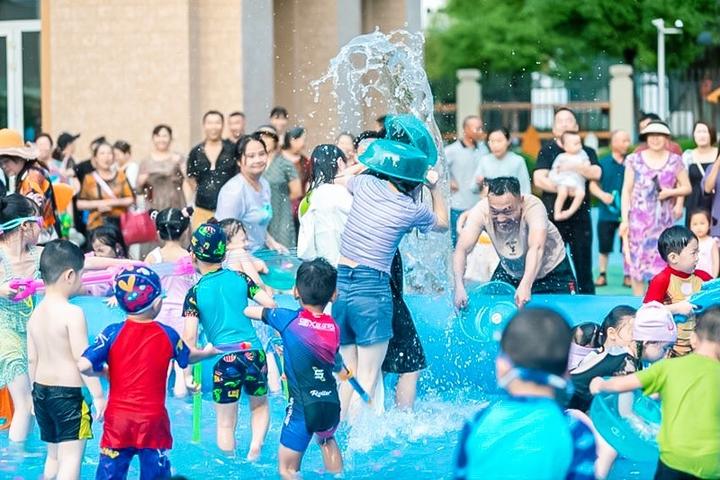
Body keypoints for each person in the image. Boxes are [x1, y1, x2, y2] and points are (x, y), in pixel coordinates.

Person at [332, 136, 448, 420]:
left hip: (341, 287)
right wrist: (435, 188)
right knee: (368, 379)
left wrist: (364, 163)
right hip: (372, 291)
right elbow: (443, 224)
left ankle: (334, 437)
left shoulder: (366, 185)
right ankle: (359, 446)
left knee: (347, 374)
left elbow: (339, 180)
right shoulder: (411, 209)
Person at [79, 266, 216, 479]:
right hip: (152, 421)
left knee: (110, 473)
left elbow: (84, 366)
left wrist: (103, 371)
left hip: (118, 421)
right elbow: (188, 356)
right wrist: (207, 353)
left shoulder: (111, 333)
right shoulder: (167, 334)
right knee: (156, 474)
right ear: (157, 303)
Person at [454, 308, 596, 480]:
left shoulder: (477, 421)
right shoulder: (575, 431)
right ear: (567, 372)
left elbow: (461, 475)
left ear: (501, 367)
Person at [590, 306, 720, 480]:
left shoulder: (669, 368)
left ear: (693, 339)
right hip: (712, 464)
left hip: (674, 458)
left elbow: (622, 385)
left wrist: (600, 384)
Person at [181, 223, 276, 459]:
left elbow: (190, 338)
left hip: (225, 360)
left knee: (225, 425)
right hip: (254, 353)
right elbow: (270, 304)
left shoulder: (194, 293)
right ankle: (255, 449)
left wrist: (186, 373)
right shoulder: (241, 278)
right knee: (260, 405)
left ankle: (231, 463)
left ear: (193, 256)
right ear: (224, 253)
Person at [244, 258, 343, 479]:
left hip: (302, 410)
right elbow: (335, 361)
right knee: (326, 440)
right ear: (334, 294)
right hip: (330, 405)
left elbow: (250, 312)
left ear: (295, 291)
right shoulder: (333, 327)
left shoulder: (288, 320)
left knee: (287, 469)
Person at [27, 240, 105, 480]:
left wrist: (33, 395)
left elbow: (32, 359)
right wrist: (99, 396)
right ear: (70, 275)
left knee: (53, 456)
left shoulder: (35, 313)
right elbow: (83, 358)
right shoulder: (73, 313)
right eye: (81, 275)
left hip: (41, 393)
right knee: (71, 458)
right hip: (68, 398)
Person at [454, 177, 575, 309]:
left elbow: (537, 248)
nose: (501, 219)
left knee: (566, 314)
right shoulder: (481, 210)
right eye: (494, 211)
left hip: (552, 272)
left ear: (521, 201)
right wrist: (459, 286)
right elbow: (462, 249)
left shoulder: (534, 207)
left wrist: (526, 284)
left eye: (507, 211)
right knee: (490, 308)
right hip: (510, 271)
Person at [533, 108, 601, 294]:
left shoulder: (587, 151)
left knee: (583, 263)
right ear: (554, 129)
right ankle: (551, 296)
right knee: (550, 260)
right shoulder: (547, 150)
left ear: (576, 126)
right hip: (553, 217)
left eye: (568, 120)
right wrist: (565, 189)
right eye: (560, 121)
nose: (564, 124)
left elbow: (596, 173)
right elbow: (539, 179)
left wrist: (574, 166)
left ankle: (587, 298)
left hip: (580, 216)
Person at [621, 121, 691, 296]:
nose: (655, 139)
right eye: (651, 135)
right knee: (637, 266)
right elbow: (626, 190)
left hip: (663, 223)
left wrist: (670, 192)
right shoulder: (634, 159)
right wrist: (624, 219)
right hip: (637, 222)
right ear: (645, 138)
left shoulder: (675, 161)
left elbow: (687, 187)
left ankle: (659, 304)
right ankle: (638, 305)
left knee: (663, 263)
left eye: (659, 135)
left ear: (666, 138)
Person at [145, 207, 195, 398]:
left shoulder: (153, 257)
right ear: (183, 231)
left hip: (160, 315)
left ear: (158, 232)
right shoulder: (188, 258)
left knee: (161, 366)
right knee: (184, 368)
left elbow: (146, 286)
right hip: (184, 314)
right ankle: (183, 398)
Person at [644, 226, 711, 357]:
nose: (697, 258)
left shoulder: (703, 278)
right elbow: (646, 313)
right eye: (693, 253)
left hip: (700, 346)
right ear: (674, 257)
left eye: (698, 252)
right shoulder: (661, 280)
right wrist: (676, 308)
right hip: (670, 349)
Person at [215, 134, 286, 253]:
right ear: (238, 161)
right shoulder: (233, 191)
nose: (258, 160)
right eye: (251, 156)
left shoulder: (264, 184)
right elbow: (224, 237)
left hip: (260, 253)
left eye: (262, 154)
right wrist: (248, 262)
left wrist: (271, 241)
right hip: (239, 260)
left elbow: (258, 225)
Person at [568, 305, 637, 412]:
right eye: (633, 333)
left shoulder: (598, 354)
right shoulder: (624, 360)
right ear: (611, 333)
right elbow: (626, 414)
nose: (640, 339)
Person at [0, 128, 60, 242]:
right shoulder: (26, 173)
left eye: (6, 161)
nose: (3, 166)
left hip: (43, 239)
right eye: (0, 163)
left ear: (18, 157)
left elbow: (31, 210)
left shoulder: (32, 176)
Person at [297, 145, 352, 266]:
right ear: (340, 163)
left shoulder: (308, 199)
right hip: (347, 270)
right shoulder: (344, 193)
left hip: (319, 272)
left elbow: (306, 251)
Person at [590, 130, 632, 287]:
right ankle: (602, 274)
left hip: (627, 214)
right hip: (606, 213)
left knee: (627, 245)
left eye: (628, 140)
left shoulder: (632, 163)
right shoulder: (603, 163)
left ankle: (628, 275)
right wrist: (602, 195)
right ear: (613, 143)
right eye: (623, 140)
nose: (626, 144)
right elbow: (593, 185)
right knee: (604, 246)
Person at [186, 110, 237, 229]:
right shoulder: (196, 151)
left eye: (217, 123)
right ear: (204, 125)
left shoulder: (232, 149)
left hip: (229, 210)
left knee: (228, 244)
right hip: (202, 209)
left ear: (223, 125)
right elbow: (191, 178)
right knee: (201, 244)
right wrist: (203, 191)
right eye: (210, 123)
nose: (213, 127)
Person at [445, 115, 489, 245]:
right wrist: (449, 181)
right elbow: (437, 168)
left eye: (481, 128)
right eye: (477, 128)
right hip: (458, 206)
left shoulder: (483, 150)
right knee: (456, 244)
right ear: (466, 129)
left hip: (478, 206)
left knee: (478, 245)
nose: (480, 131)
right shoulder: (451, 150)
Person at [76, 141, 135, 231]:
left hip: (120, 226)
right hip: (96, 226)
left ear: (113, 157)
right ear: (95, 158)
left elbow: (130, 199)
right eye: (102, 153)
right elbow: (80, 203)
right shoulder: (89, 178)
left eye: (109, 153)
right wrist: (99, 204)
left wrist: (109, 203)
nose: (106, 157)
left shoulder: (121, 176)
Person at [266, 128, 303, 249]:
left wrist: (279, 199)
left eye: (268, 136)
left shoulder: (284, 163)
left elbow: (297, 191)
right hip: (260, 212)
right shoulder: (255, 163)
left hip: (281, 213)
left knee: (283, 249)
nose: (264, 139)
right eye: (261, 137)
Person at [474, 127, 531, 195]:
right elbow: (473, 188)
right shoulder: (484, 160)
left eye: (499, 141)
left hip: (511, 204)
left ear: (508, 141)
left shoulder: (518, 161)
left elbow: (526, 190)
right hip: (487, 203)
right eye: (491, 141)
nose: (495, 145)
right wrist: (479, 183)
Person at [549, 131, 591, 222]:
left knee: (581, 194)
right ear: (565, 146)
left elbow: (587, 164)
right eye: (575, 144)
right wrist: (556, 177)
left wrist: (585, 165)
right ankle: (557, 212)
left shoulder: (582, 154)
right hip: (564, 181)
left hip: (577, 182)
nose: (579, 145)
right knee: (562, 193)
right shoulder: (561, 157)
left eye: (580, 142)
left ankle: (570, 211)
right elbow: (555, 170)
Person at [682, 122, 717, 224]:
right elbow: (682, 181)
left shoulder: (718, 154)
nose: (701, 135)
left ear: (712, 134)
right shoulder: (688, 156)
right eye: (698, 132)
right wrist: (679, 204)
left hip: (716, 201)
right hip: (694, 201)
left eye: (705, 132)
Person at [690, 208, 719, 278]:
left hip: (708, 277)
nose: (699, 227)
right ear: (690, 226)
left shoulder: (712, 242)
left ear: (709, 224)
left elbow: (716, 262)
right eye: (695, 224)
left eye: (702, 223)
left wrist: (714, 277)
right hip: (693, 277)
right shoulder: (689, 242)